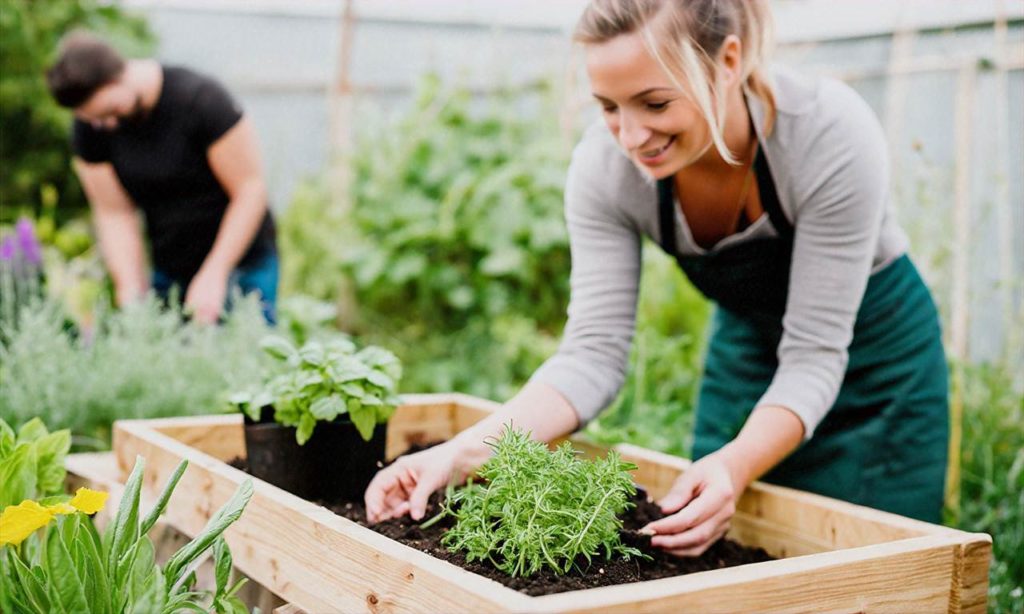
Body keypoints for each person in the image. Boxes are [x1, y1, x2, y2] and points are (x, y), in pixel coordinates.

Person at [365, 0, 949, 553]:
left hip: (878, 362)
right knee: (734, 554)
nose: (631, 135)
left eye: (655, 103)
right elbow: (591, 356)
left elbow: (816, 354)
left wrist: (738, 460)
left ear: (727, 62)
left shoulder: (826, 134)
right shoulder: (606, 170)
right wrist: (462, 453)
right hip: (750, 347)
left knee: (876, 568)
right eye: (609, 106)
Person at [45, 31, 278, 324]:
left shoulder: (201, 100)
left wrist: (215, 273)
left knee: (249, 357)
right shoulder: (92, 129)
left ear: (117, 77)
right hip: (171, 266)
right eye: (93, 119)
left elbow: (250, 190)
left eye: (110, 111)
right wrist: (130, 289)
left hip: (243, 263)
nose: (105, 124)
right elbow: (114, 212)